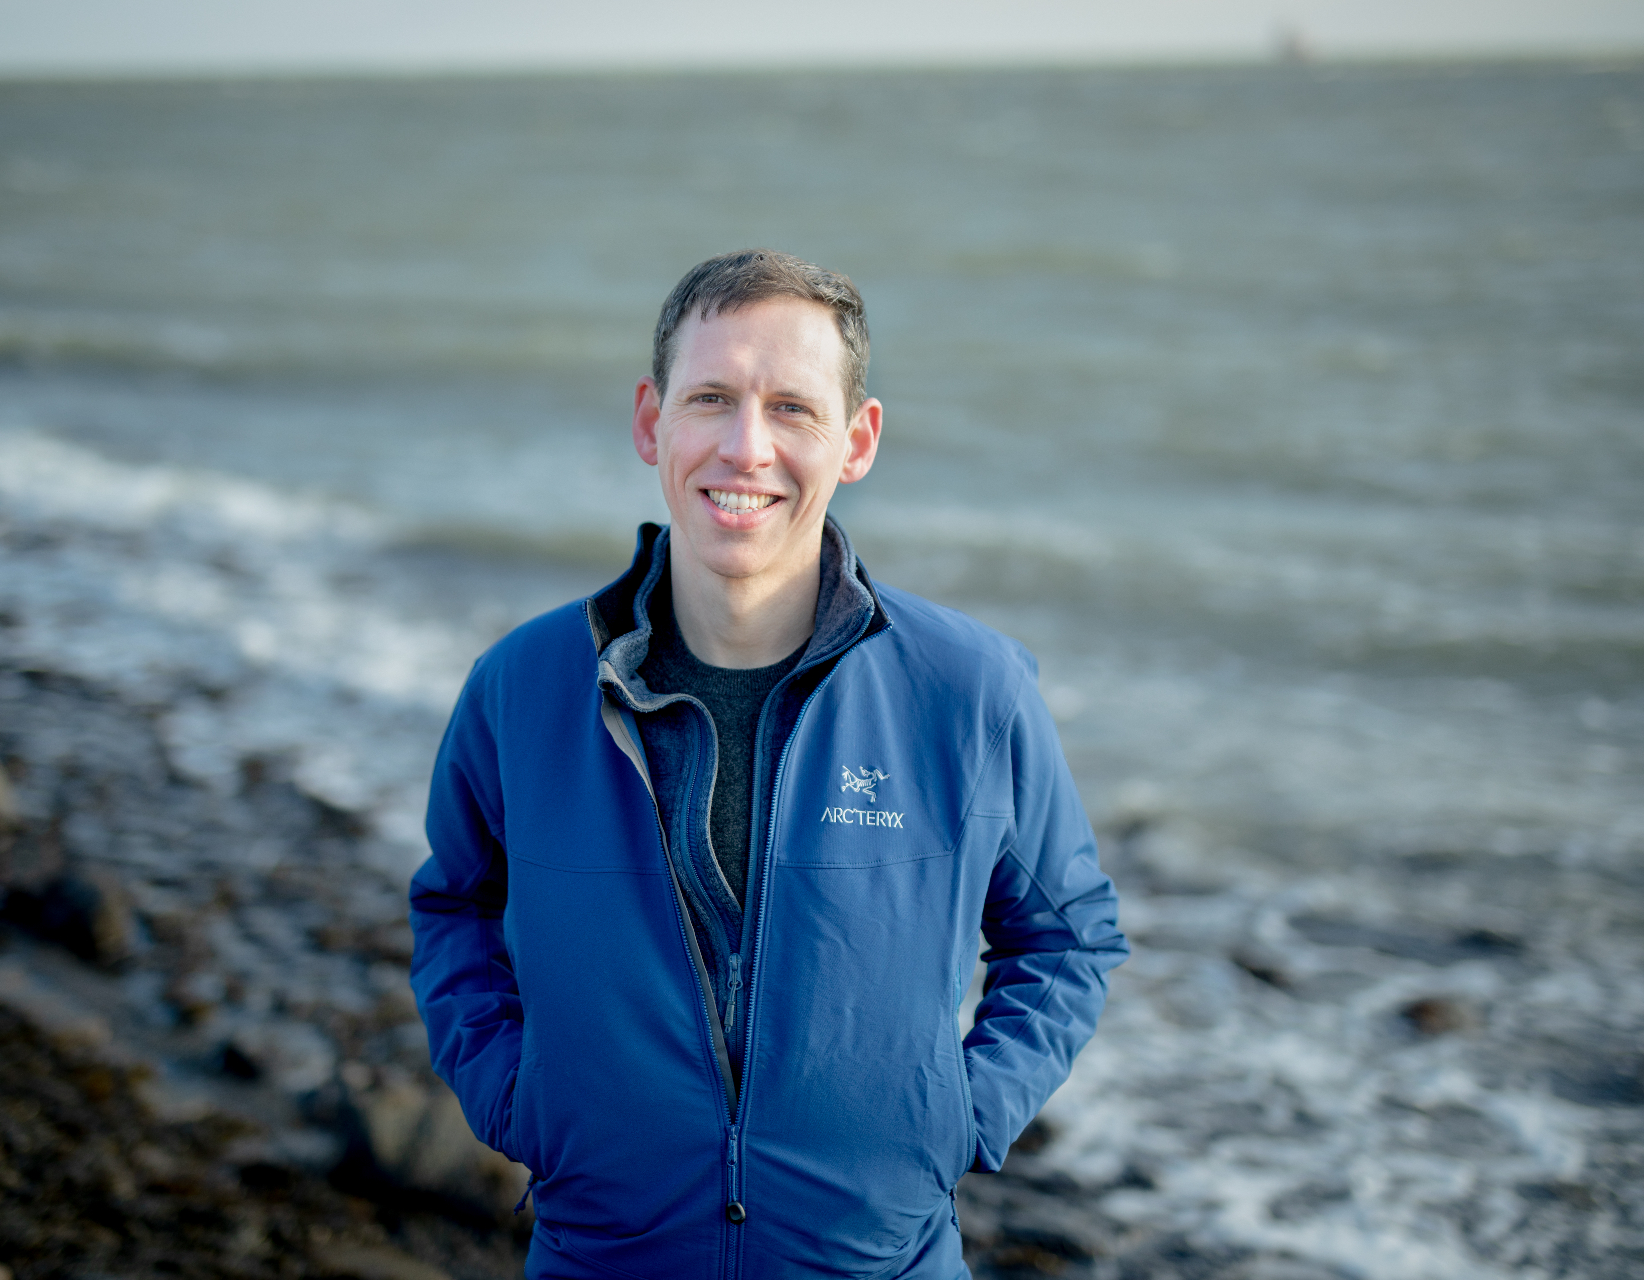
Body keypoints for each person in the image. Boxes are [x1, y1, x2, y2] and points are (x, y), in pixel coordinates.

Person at [409, 248, 1127, 1280]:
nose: (747, 447)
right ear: (652, 421)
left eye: (792, 407)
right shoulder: (520, 688)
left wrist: (955, 1116)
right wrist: (515, 1094)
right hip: (602, 1257)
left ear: (857, 439)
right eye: (713, 398)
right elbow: (455, 907)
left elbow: (1068, 937)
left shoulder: (968, 691)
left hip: (882, 1261)